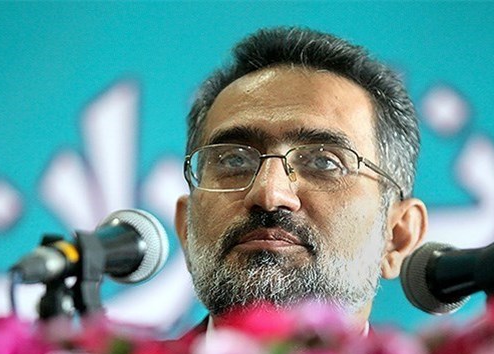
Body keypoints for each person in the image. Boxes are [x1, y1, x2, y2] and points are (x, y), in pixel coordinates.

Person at [174, 26, 428, 336]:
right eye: (234, 160)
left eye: (324, 162)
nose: (270, 193)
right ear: (186, 229)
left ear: (398, 235)